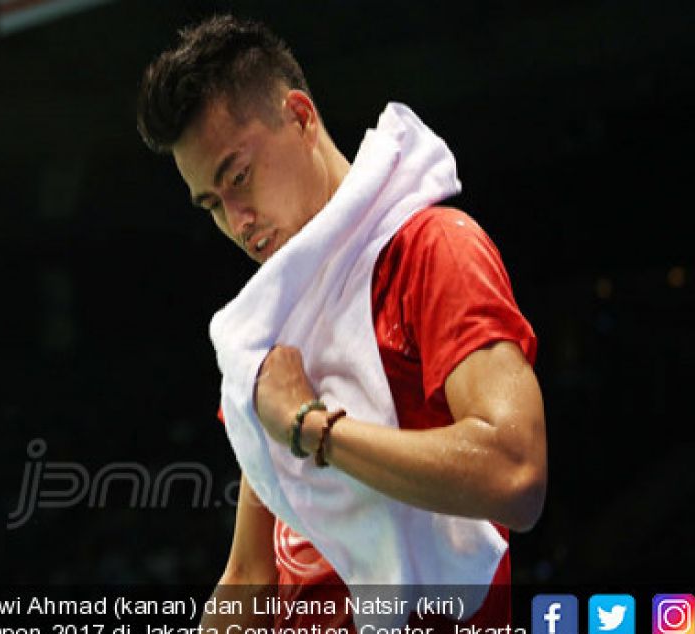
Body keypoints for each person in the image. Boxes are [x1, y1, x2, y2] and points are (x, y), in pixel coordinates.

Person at [136, 14, 547, 633]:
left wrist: (313, 428)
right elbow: (251, 573)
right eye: (213, 205)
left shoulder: (433, 252)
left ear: (300, 117)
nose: (238, 221)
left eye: (238, 177)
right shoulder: (268, 327)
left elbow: (517, 474)